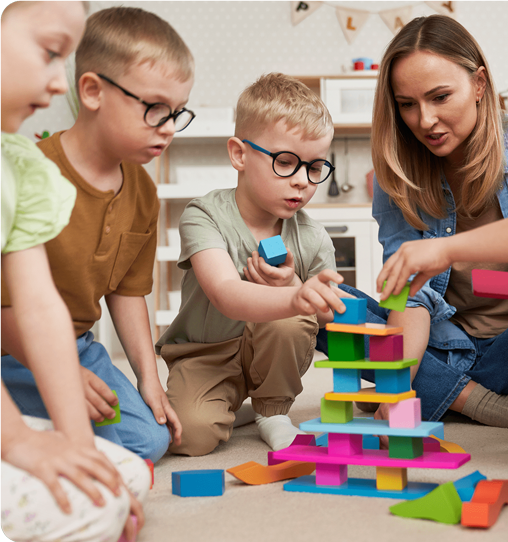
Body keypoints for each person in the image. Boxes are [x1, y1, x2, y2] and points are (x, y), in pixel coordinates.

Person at [317, 14, 508, 429]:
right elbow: (409, 296)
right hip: (440, 339)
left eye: (439, 97)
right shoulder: (396, 170)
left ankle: (434, 389)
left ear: (479, 84)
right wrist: (398, 383)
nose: (425, 121)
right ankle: (477, 401)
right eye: (407, 105)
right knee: (326, 306)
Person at [1, 6, 195, 463]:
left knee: (150, 440)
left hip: (78, 345)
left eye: (177, 114)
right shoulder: (32, 171)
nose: (168, 129)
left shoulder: (144, 191)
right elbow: (15, 304)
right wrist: (56, 370)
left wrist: (150, 380)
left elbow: (128, 293)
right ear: (92, 91)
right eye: (154, 109)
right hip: (10, 345)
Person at [1, 2, 148, 540]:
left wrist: (79, 450)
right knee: (82, 508)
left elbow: (42, 309)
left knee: (124, 477)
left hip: (70, 349)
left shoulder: (18, 168)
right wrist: (16, 440)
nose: (56, 84)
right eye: (48, 53)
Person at [155, 73, 347, 456]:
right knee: (189, 437)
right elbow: (226, 293)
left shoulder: (313, 237)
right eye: (286, 163)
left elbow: (329, 318)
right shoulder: (203, 215)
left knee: (292, 318)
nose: (302, 182)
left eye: (314, 168)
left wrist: (295, 288)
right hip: (206, 352)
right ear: (239, 154)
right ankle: (233, 408)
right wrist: (296, 296)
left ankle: (272, 411)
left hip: (271, 351)